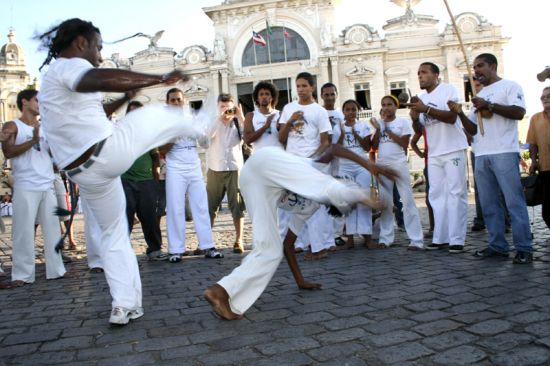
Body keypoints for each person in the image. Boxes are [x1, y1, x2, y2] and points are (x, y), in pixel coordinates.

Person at [37, 18, 197, 325]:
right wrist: (160, 78)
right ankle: (203, 123)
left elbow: (96, 111)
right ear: (81, 43)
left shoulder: (54, 78)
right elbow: (102, 77)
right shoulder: (68, 66)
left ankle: (125, 305)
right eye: (98, 46)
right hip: (105, 153)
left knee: (113, 236)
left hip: (86, 172)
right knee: (154, 117)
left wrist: (124, 99)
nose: (99, 54)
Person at [203, 145, 396, 320]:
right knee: (327, 186)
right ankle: (361, 195)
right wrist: (368, 164)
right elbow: (335, 148)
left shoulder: (309, 207)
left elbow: (287, 246)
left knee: (269, 250)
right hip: (267, 160)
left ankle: (221, 291)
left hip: (256, 182)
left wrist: (300, 281)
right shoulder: (319, 172)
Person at [467, 53, 533, 263]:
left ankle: (524, 247)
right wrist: (458, 113)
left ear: (493, 66)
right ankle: (497, 245)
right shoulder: (478, 96)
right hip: (481, 153)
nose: (476, 70)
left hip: (504, 151)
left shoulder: (510, 86)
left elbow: (519, 112)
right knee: (488, 204)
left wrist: (490, 106)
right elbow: (472, 129)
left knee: (513, 201)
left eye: (480, 66)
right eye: (474, 67)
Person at [1, 89, 66, 286]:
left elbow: (52, 158)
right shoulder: (13, 125)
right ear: (24, 102)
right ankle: (22, 274)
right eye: (37, 100)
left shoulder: (46, 128)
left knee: (53, 229)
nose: (41, 104)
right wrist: (33, 141)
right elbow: (9, 152)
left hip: (47, 184)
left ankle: (57, 270)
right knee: (23, 231)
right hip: (25, 184)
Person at [409, 62, 468, 253]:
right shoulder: (422, 98)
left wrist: (425, 109)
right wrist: (414, 117)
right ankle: (440, 238)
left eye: (424, 72)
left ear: (436, 75)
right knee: (436, 195)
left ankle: (457, 239)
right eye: (418, 73)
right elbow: (420, 128)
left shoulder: (448, 89)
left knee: (456, 193)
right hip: (434, 152)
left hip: (452, 149)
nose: (420, 76)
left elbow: (452, 117)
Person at [161, 88, 222, 262]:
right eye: (172, 100)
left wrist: (201, 132)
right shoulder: (164, 123)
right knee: (175, 208)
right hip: (175, 168)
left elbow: (205, 143)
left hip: (193, 165)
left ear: (184, 101)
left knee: (201, 206)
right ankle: (176, 249)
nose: (176, 102)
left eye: (178, 99)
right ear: (168, 103)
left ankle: (207, 246)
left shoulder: (193, 119)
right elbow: (162, 150)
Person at [278, 72, 334, 260]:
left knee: (311, 206)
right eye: (298, 86)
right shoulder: (288, 108)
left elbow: (325, 141)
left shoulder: (319, 111)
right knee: (291, 205)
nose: (301, 90)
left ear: (312, 87)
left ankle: (319, 247)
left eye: (304, 86)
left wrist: (312, 159)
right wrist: (291, 120)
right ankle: (298, 244)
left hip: (310, 163)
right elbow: (281, 137)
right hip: (291, 163)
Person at [372, 95, 424, 250]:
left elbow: (404, 144)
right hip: (382, 164)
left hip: (399, 164)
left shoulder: (402, 122)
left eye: (389, 104)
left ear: (395, 106)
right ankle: (385, 238)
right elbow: (374, 146)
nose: (386, 107)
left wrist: (387, 131)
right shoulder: (378, 123)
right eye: (383, 104)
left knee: (407, 201)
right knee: (386, 203)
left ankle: (416, 240)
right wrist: (378, 130)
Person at [121, 101, 167, 261]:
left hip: (147, 181)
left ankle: (154, 249)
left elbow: (155, 157)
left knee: (149, 217)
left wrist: (155, 180)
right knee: (125, 218)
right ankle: (122, 251)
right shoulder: (121, 132)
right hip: (125, 180)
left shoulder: (149, 133)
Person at [206, 93, 247, 254]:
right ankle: (207, 240)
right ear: (217, 107)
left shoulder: (237, 122)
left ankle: (239, 239)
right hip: (215, 169)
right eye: (222, 107)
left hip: (234, 168)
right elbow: (204, 141)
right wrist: (217, 119)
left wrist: (241, 117)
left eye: (228, 107)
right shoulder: (212, 122)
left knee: (237, 206)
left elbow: (249, 138)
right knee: (210, 207)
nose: (226, 111)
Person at [320, 82, 347, 247]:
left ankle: (337, 233)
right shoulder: (318, 112)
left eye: (332, 94)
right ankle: (324, 233)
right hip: (324, 159)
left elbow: (343, 135)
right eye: (326, 94)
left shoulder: (340, 114)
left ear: (336, 95)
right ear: (322, 95)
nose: (330, 97)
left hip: (339, 159)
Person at [526, 86, 550, 229]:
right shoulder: (535, 118)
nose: (545, 99)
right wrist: (533, 161)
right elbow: (533, 143)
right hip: (545, 168)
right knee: (547, 208)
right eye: (543, 97)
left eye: (548, 96)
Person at [243, 81, 281, 151]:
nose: (264, 96)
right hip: (260, 158)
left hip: (278, 158)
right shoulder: (251, 116)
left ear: (272, 97)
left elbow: (287, 138)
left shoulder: (280, 115)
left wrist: (281, 128)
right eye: (261, 94)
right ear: (257, 98)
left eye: (267, 94)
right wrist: (265, 127)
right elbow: (247, 139)